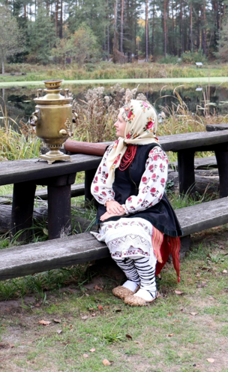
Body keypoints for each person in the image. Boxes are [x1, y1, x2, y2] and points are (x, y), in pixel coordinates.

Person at [90, 99, 182, 306]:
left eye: (120, 121)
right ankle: (134, 279)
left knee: (132, 233)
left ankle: (149, 287)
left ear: (135, 125)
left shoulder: (154, 153)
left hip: (149, 210)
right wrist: (109, 202)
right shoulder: (115, 148)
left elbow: (152, 193)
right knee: (112, 233)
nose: (115, 124)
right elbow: (100, 182)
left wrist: (124, 208)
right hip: (114, 207)